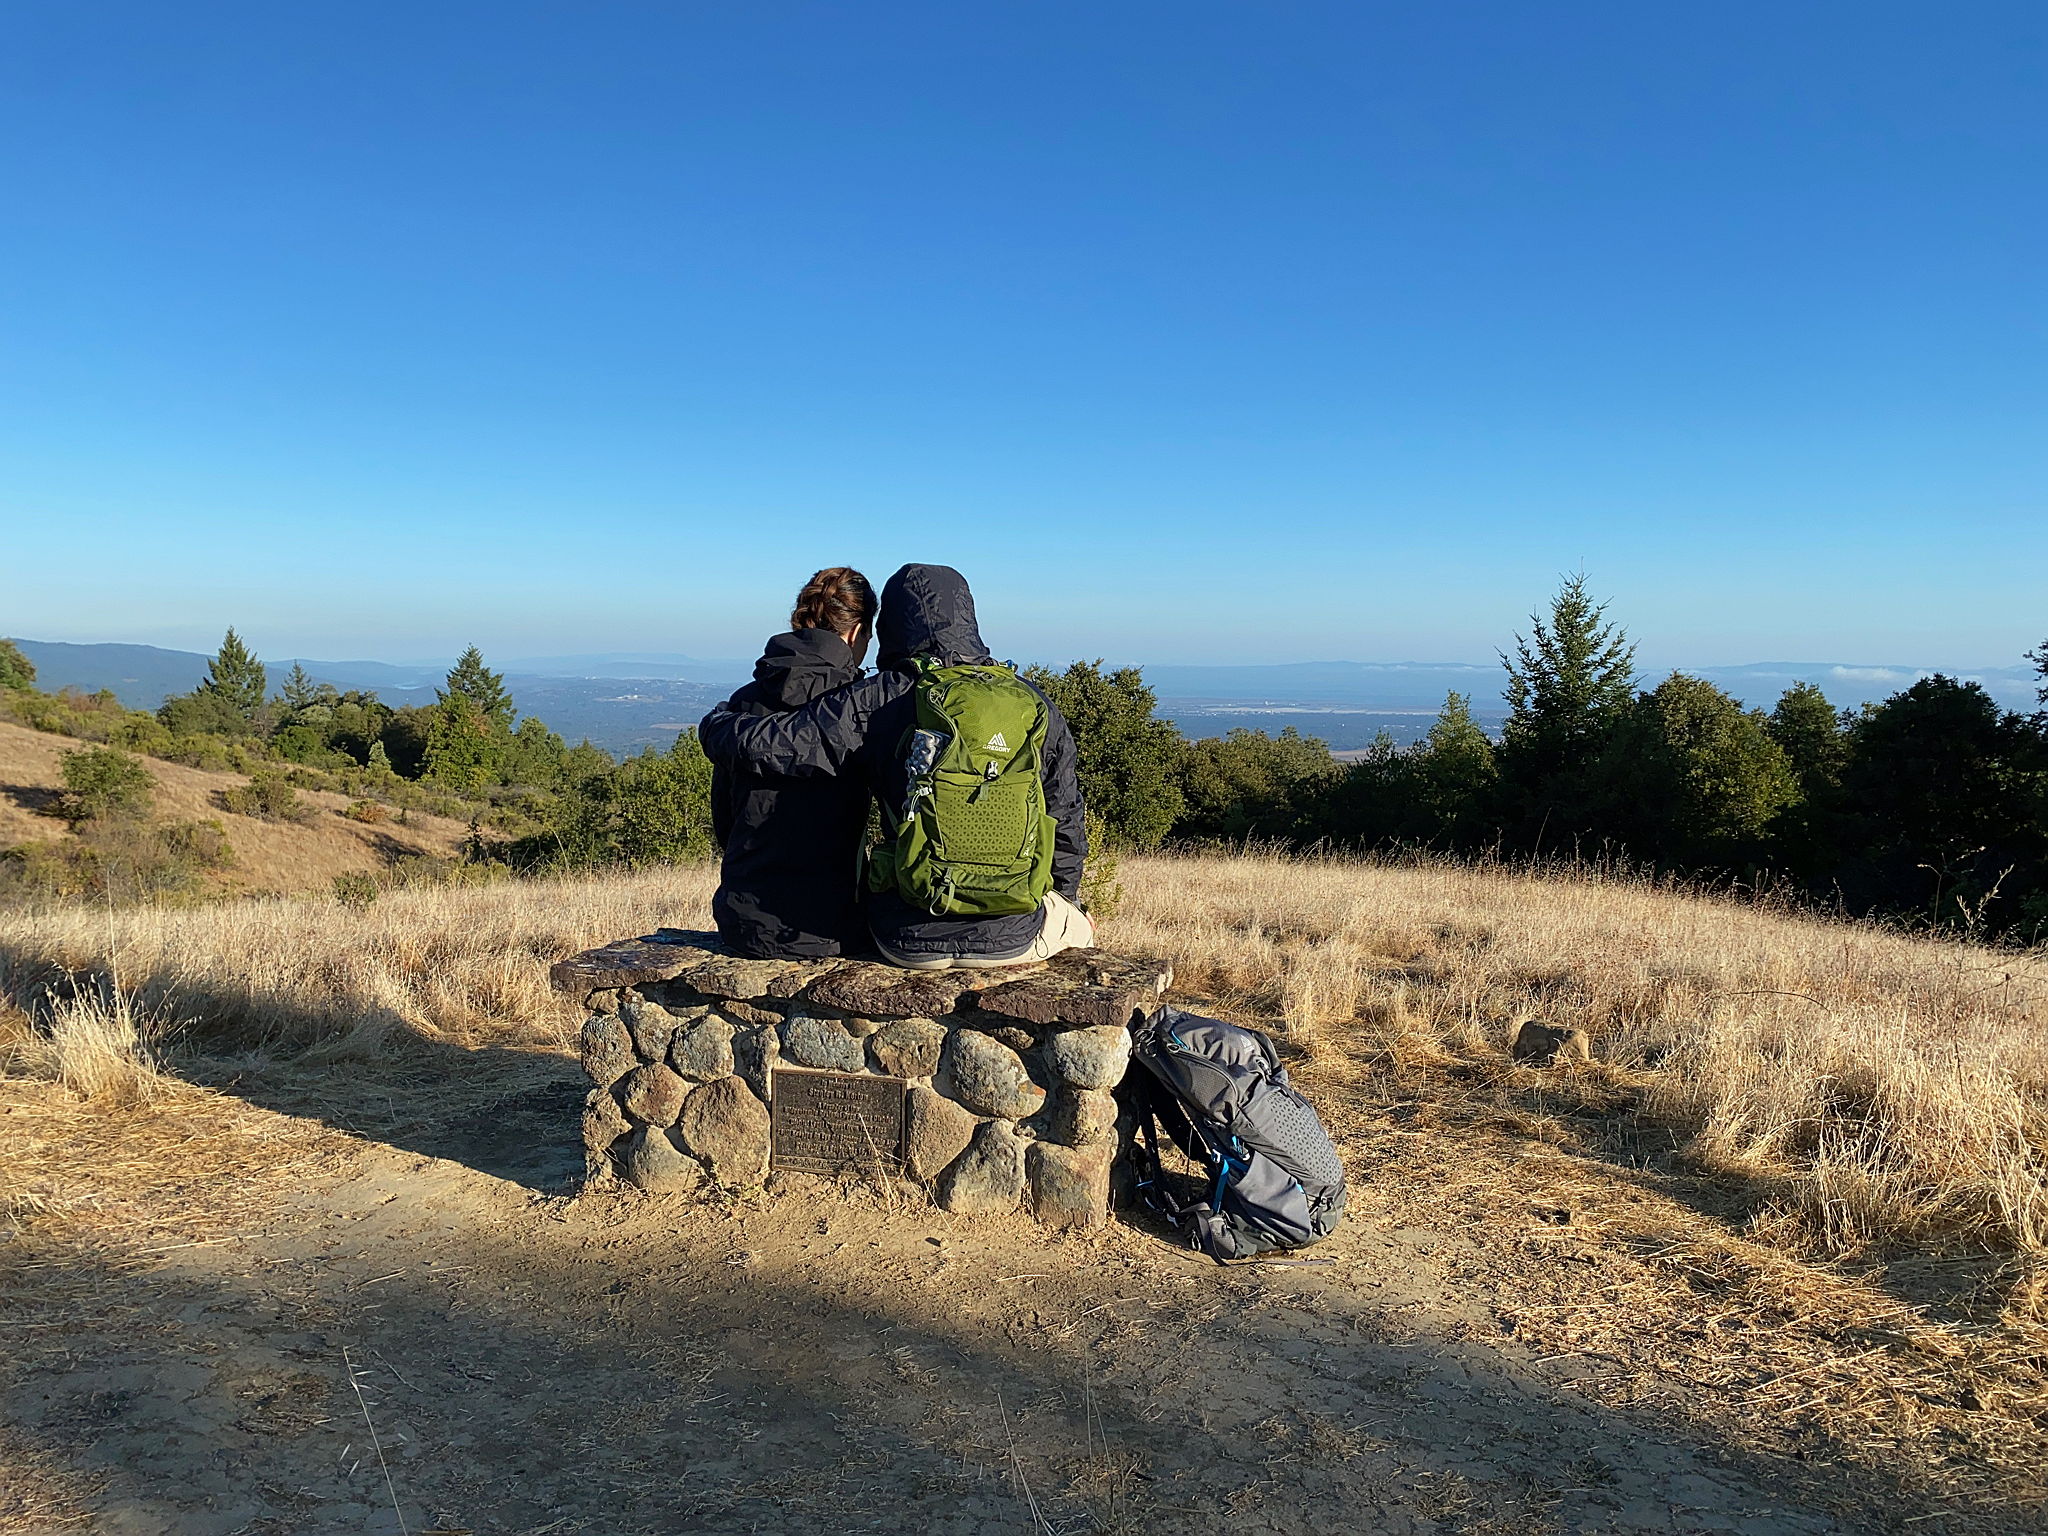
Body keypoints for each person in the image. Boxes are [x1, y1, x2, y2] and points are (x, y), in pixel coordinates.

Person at [699, 562, 1094, 969]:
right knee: (1078, 928)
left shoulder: (880, 696)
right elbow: (1065, 815)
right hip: (1015, 934)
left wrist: (717, 725)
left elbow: (786, 744)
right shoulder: (1030, 702)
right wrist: (1068, 899)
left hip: (907, 936)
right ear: (968, 616)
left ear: (892, 626)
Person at [706, 566, 879, 958]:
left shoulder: (744, 702)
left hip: (743, 922)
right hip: (832, 925)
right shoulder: (860, 708)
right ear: (856, 632)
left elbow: (725, 817)